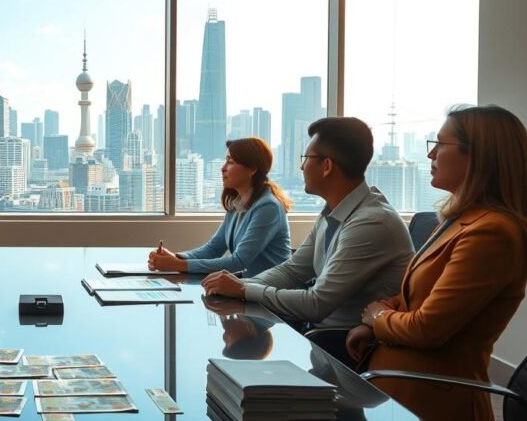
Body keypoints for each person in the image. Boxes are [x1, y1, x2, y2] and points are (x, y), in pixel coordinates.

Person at [347, 105, 527, 421]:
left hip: (427, 398)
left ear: (478, 157)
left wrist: (377, 320)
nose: (432, 154)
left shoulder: (492, 233)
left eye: (440, 144)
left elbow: (427, 329)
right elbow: (417, 295)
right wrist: (382, 316)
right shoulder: (460, 219)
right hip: (396, 379)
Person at [202, 117, 414, 366]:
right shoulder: (334, 212)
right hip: (318, 339)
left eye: (306, 159)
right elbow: (293, 270)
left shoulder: (371, 223)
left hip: (345, 350)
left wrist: (244, 289)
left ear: (326, 166)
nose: (302, 168)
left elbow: (316, 304)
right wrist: (239, 285)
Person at [148, 137, 291, 276]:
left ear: (252, 169)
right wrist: (176, 258)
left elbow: (238, 262)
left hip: (269, 293)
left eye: (230, 162)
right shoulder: (238, 202)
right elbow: (213, 248)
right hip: (250, 288)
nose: (223, 168)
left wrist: (178, 265)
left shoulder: (268, 207)